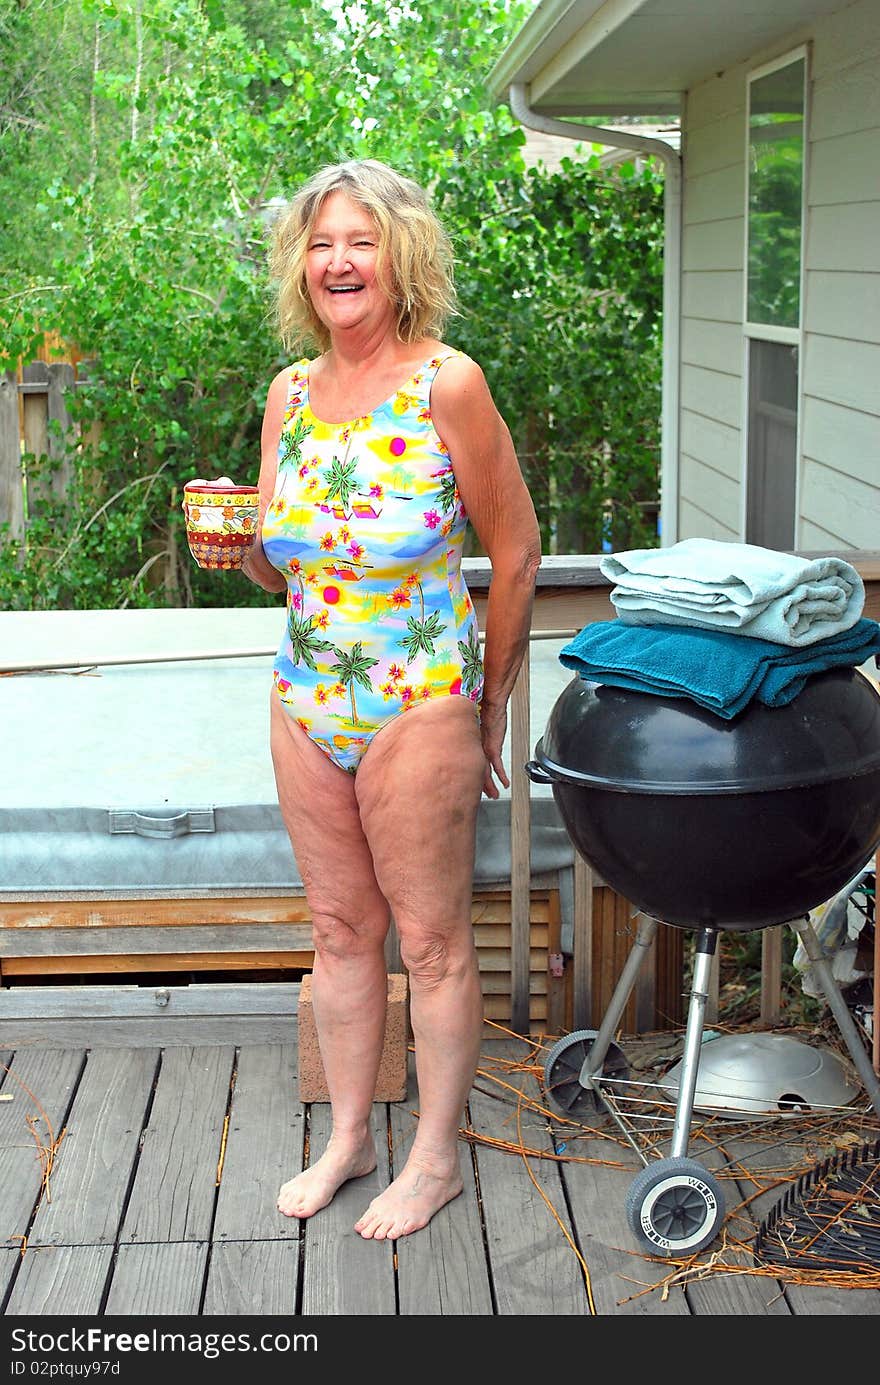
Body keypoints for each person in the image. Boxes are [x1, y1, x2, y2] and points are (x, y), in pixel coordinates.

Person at [237, 158, 541, 1240]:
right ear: (300, 268)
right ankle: (351, 1136)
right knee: (336, 929)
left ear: (399, 254)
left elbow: (515, 552)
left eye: (359, 240)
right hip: (303, 693)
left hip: (420, 697)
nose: (337, 261)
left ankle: (434, 1156)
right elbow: (284, 563)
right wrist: (241, 551)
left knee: (432, 939)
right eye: (320, 244)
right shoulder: (287, 393)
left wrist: (488, 700)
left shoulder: (445, 382)